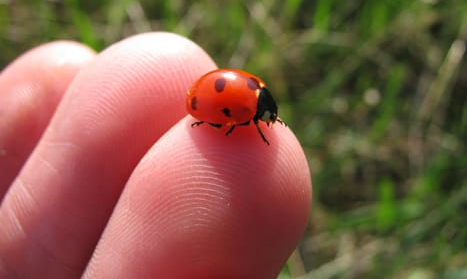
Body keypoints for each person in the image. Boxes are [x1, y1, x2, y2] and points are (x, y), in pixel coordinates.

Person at [0, 32, 311, 278]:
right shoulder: (248, 110)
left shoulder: (254, 100)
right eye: (268, 117)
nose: (269, 122)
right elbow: (242, 116)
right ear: (263, 109)